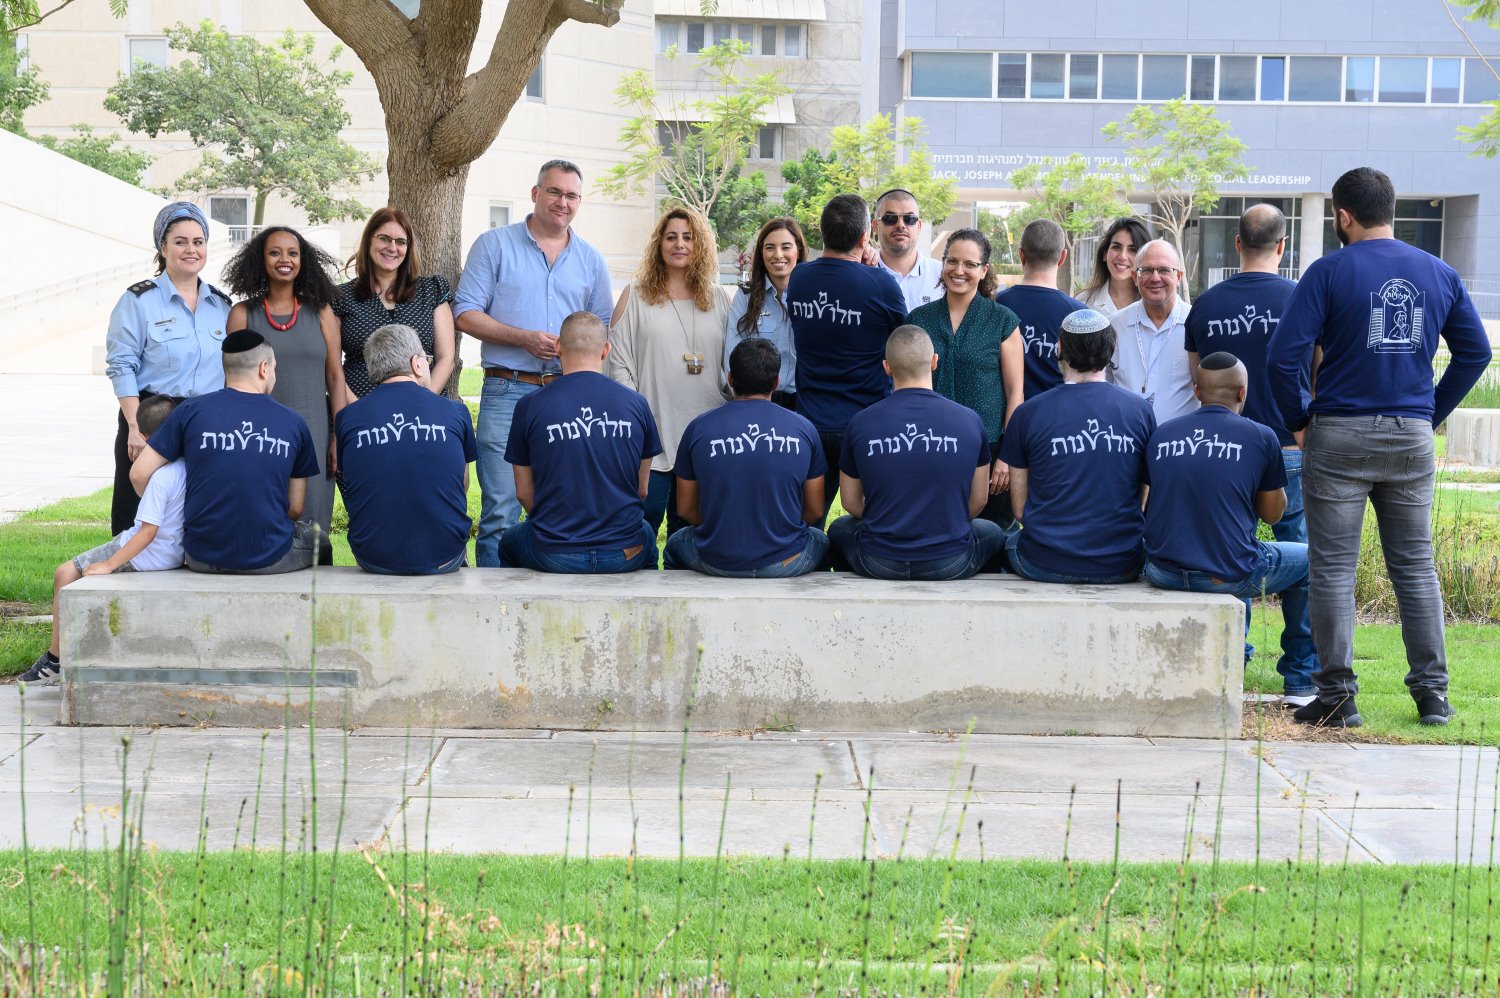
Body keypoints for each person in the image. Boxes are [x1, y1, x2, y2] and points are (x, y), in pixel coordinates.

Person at [1268, 167, 1494, 728]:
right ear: (1390, 210)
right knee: (1416, 568)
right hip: (1410, 436)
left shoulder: (1328, 271)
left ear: (1343, 216)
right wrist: (1429, 414)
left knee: (1332, 570)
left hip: (1339, 433)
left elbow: (1281, 357)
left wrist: (1299, 421)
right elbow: (1475, 352)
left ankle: (1338, 697)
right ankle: (1432, 695)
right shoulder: (1438, 272)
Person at [454, 159, 614, 567]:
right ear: (535, 193)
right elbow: (465, 313)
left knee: (563, 509)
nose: (563, 202)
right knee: (500, 512)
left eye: (572, 196)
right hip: (507, 388)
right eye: (555, 192)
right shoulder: (494, 245)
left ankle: (547, 598)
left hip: (567, 396)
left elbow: (601, 328)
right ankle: (495, 601)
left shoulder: (591, 260)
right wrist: (523, 338)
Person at [1142, 353, 1319, 707]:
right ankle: (1301, 682)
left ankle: (1239, 659)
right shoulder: (1261, 437)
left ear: (1197, 391)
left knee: (1236, 544)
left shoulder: (1162, 435)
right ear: (1242, 393)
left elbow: (1147, 503)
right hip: (1226, 574)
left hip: (1162, 571)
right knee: (1313, 562)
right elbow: (1273, 515)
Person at [1184, 204, 1313, 678]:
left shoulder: (1206, 304)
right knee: (1302, 555)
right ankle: (1301, 672)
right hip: (1289, 446)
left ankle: (1231, 661)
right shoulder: (1302, 299)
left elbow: (1197, 382)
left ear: (1237, 243)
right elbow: (1318, 373)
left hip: (1223, 452)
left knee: (1230, 551)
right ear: (1283, 246)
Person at [20, 396, 184, 688]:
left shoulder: (161, 477)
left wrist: (109, 564)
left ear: (146, 439)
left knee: (64, 572)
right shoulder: (187, 468)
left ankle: (55, 659)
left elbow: (147, 532)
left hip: (146, 554)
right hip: (173, 554)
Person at [131, 331, 321, 575]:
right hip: (269, 556)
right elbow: (295, 508)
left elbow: (138, 474)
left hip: (201, 557)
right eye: (274, 368)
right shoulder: (294, 422)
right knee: (319, 540)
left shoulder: (189, 411)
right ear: (264, 368)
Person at [828, 326, 1003, 581]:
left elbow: (850, 502)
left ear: (886, 367)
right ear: (934, 362)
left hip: (879, 560)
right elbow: (979, 500)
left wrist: (889, 521)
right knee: (994, 532)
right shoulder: (970, 420)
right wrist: (945, 525)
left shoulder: (860, 423)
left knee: (838, 528)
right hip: (950, 561)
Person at [1000, 309, 1155, 584]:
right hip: (1121, 564)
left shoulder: (1027, 414)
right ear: (1112, 349)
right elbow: (1141, 501)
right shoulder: (1141, 411)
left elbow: (1020, 510)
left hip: (1044, 563)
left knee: (999, 536)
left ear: (1059, 348)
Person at [104, 201, 232, 535]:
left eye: (198, 242)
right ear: (163, 248)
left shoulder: (222, 305)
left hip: (204, 419)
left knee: (199, 512)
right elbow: (121, 365)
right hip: (151, 418)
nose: (191, 249)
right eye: (180, 242)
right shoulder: (138, 301)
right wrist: (135, 427)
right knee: (138, 516)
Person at [501, 312, 662, 573]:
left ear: (557, 347)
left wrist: (554, 528)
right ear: (606, 350)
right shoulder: (636, 404)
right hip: (624, 552)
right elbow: (641, 491)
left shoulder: (529, 406)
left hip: (554, 552)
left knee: (509, 542)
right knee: (645, 534)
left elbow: (524, 493)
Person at [608, 207, 730, 541]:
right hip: (653, 433)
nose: (680, 244)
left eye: (688, 237)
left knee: (691, 533)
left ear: (700, 244)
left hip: (704, 436)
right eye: (671, 237)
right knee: (639, 529)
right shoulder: (636, 295)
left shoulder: (719, 298)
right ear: (658, 244)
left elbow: (733, 364)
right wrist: (635, 422)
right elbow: (618, 364)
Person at [225, 226, 344, 565]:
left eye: (292, 253)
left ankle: (316, 594)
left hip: (314, 435)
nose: (284, 259)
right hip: (258, 436)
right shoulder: (243, 314)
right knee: (262, 519)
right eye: (275, 252)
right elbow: (231, 382)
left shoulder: (321, 312)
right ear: (260, 260)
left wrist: (338, 435)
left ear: (303, 261)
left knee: (313, 529)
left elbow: (335, 377)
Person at [665, 339, 828, 577]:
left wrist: (721, 529)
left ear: (730, 379)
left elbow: (686, 509)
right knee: (822, 538)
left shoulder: (698, 428)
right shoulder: (804, 429)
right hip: (786, 561)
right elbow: (814, 511)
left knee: (675, 543)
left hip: (716, 560)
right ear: (776, 382)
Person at [789, 193, 908, 513]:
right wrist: (873, 270)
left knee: (807, 516)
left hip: (811, 420)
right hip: (865, 423)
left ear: (822, 233)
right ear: (864, 237)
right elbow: (905, 337)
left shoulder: (798, 278)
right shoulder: (881, 284)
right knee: (877, 513)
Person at [334, 324, 478, 575]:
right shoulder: (455, 412)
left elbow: (359, 482)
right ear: (416, 363)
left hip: (373, 557)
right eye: (426, 359)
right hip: (446, 555)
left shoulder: (348, 418)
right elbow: (461, 483)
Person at [908, 228, 1023, 526]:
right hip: (930, 445)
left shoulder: (1003, 321)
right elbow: (905, 388)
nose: (959, 271)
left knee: (990, 535)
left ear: (984, 270)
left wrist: (1007, 456)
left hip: (989, 448)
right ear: (943, 263)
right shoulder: (919, 319)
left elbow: (1015, 394)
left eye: (970, 264)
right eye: (952, 261)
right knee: (932, 527)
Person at [334, 207, 456, 399]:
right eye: (384, 238)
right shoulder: (341, 297)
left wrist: (423, 402)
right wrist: (358, 409)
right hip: (362, 406)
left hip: (424, 407)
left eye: (400, 242)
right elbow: (332, 367)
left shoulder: (431, 290)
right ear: (369, 241)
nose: (392, 248)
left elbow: (446, 358)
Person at [996, 218, 1087, 399]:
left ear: (1021, 255)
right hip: (1059, 413)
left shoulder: (995, 305)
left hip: (1004, 413)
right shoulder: (1080, 315)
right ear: (1062, 257)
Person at [1109, 239, 1197, 424]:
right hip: (1125, 437)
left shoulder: (1196, 324)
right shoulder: (1113, 326)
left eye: (1164, 270)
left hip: (1181, 438)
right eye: (1146, 270)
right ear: (1135, 277)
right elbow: (1104, 386)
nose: (1155, 278)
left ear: (1179, 276)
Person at [722, 217, 805, 411]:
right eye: (770, 248)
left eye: (786, 247)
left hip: (804, 404)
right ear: (761, 253)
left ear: (799, 251)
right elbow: (732, 357)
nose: (778, 255)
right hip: (755, 403)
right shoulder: (745, 298)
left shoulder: (812, 296)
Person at [870, 188, 944, 312]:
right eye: (890, 218)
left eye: (909, 219)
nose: (900, 225)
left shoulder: (942, 275)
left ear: (919, 226)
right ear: (875, 226)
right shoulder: (861, 273)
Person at [1079, 217, 1150, 317]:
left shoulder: (1154, 304)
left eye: (1132, 250)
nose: (1122, 257)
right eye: (1116, 247)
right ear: (1105, 253)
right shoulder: (1083, 302)